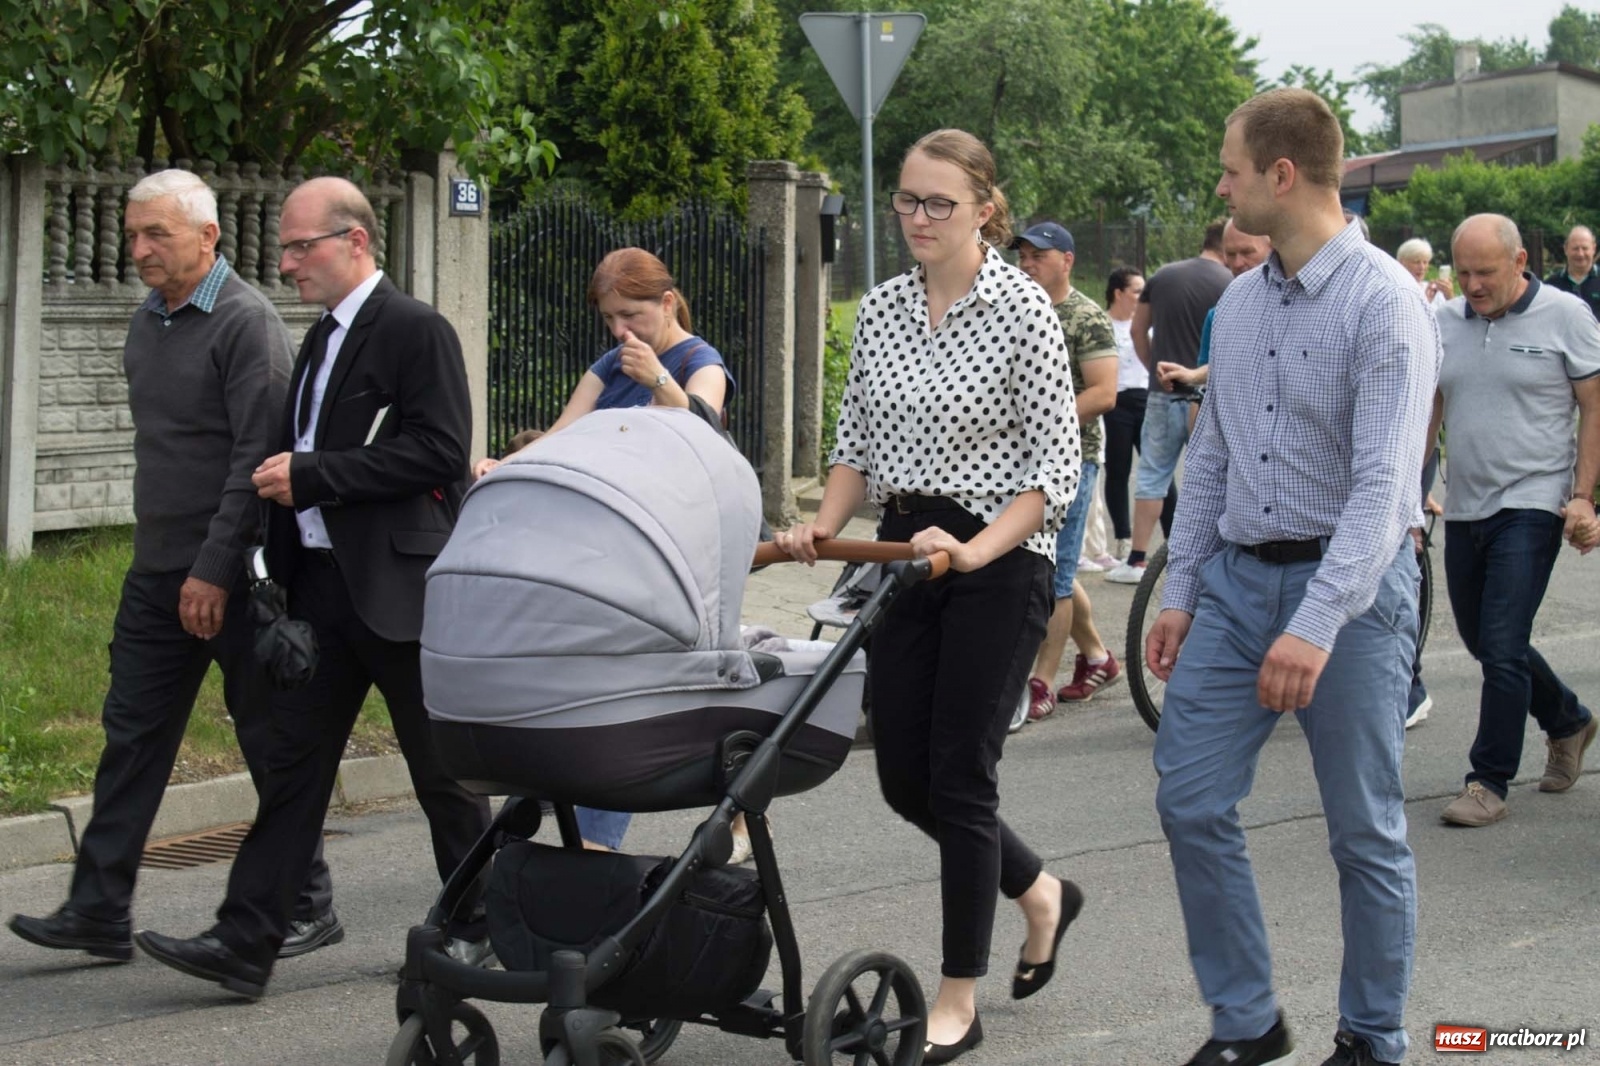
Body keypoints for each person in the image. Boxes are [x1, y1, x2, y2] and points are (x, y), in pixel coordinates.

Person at [131, 176, 493, 998]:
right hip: (322, 594)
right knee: (292, 769)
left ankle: (478, 926)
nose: (287, 263)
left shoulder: (413, 329)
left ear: (355, 242)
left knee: (441, 773)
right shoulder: (320, 338)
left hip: (399, 590)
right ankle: (245, 939)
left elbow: (440, 452)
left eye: (302, 247)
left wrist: (314, 474)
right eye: (287, 248)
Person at [1148, 88, 1439, 1066]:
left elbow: (1381, 491)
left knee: (1363, 830)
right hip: (1234, 585)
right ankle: (1247, 1022)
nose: (1220, 184)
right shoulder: (1239, 302)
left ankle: (1371, 1036)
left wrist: (1314, 623)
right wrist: (1181, 588)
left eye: (1229, 168)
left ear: (1280, 176)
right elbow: (1216, 457)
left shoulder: (1383, 304)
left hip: (1349, 599)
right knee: (1189, 798)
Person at [778, 129, 1082, 1063]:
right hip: (904, 557)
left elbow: (1054, 472)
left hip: (998, 561)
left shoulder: (1025, 310)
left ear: (984, 206)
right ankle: (1042, 893)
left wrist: (976, 548)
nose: (916, 217)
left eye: (937, 203)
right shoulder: (878, 310)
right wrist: (815, 528)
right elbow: (855, 446)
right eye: (906, 199)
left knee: (960, 777)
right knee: (904, 774)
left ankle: (960, 993)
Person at [4, 170, 341, 962]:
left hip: (228, 573)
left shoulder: (246, 324)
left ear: (208, 238)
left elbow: (254, 465)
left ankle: (308, 902)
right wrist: (163, 564)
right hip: (157, 572)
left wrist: (213, 571)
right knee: (132, 736)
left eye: (156, 234)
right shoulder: (147, 321)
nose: (140, 249)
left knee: (266, 738)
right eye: (132, 234)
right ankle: (98, 909)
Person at [470, 248, 739, 857]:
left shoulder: (699, 360)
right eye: (611, 319)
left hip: (669, 547)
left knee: (624, 689)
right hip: (602, 544)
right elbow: (567, 430)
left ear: (666, 303)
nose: (621, 331)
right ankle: (563, 804)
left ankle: (596, 840)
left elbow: (706, 429)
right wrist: (502, 467)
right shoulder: (608, 363)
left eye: (631, 314)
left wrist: (658, 380)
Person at [1430, 213, 1600, 828]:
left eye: (1486, 272)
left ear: (1520, 261)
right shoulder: (1443, 320)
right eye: (1464, 272)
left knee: (1502, 642)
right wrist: (1404, 491)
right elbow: (1430, 406)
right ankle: (1569, 720)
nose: (1472, 285)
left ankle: (1488, 780)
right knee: (1484, 641)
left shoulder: (1566, 315)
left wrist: (1583, 495)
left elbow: (1594, 403)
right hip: (1466, 501)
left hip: (1535, 499)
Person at [1008, 221, 1121, 723]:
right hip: (1016, 460)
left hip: (1072, 460)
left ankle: (1042, 681)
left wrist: (1043, 418)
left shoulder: (1085, 317)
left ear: (1067, 261)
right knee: (1051, 563)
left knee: (1053, 574)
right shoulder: (1010, 309)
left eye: (1039, 256)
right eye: (1024, 256)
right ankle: (1097, 657)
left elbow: (1104, 393)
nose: (1028, 264)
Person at [1104, 221, 1231, 584]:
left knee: (1152, 477)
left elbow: (1136, 330)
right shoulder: (1233, 284)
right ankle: (1208, 559)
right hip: (1207, 396)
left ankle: (1138, 559)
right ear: (1225, 249)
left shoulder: (1164, 275)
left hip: (1161, 393)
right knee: (1208, 478)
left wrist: (1153, 368)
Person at [1101, 267, 1175, 562]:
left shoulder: (1147, 327)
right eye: (1136, 291)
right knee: (1118, 472)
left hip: (1146, 399)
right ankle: (1122, 537)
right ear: (1119, 293)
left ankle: (1175, 539)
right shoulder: (1104, 325)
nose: (1143, 297)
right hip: (1116, 403)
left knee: (1160, 470)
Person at [1159, 219, 1273, 398]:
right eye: (1230, 254)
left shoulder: (1298, 303)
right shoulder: (1220, 313)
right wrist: (1191, 376)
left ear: (1272, 248)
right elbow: (1219, 367)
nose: (1237, 263)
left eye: (1247, 252)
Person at [1543, 224, 1600, 321]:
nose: (1580, 254)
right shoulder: (1551, 285)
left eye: (1585, 248)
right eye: (1575, 248)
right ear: (1566, 249)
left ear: (1593, 249)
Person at [1395, 237, 1454, 308]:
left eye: (1425, 262)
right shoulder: (1396, 290)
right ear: (1402, 263)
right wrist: (1425, 302)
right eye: (1416, 262)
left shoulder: (1433, 290)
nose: (1422, 267)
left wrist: (1449, 296)